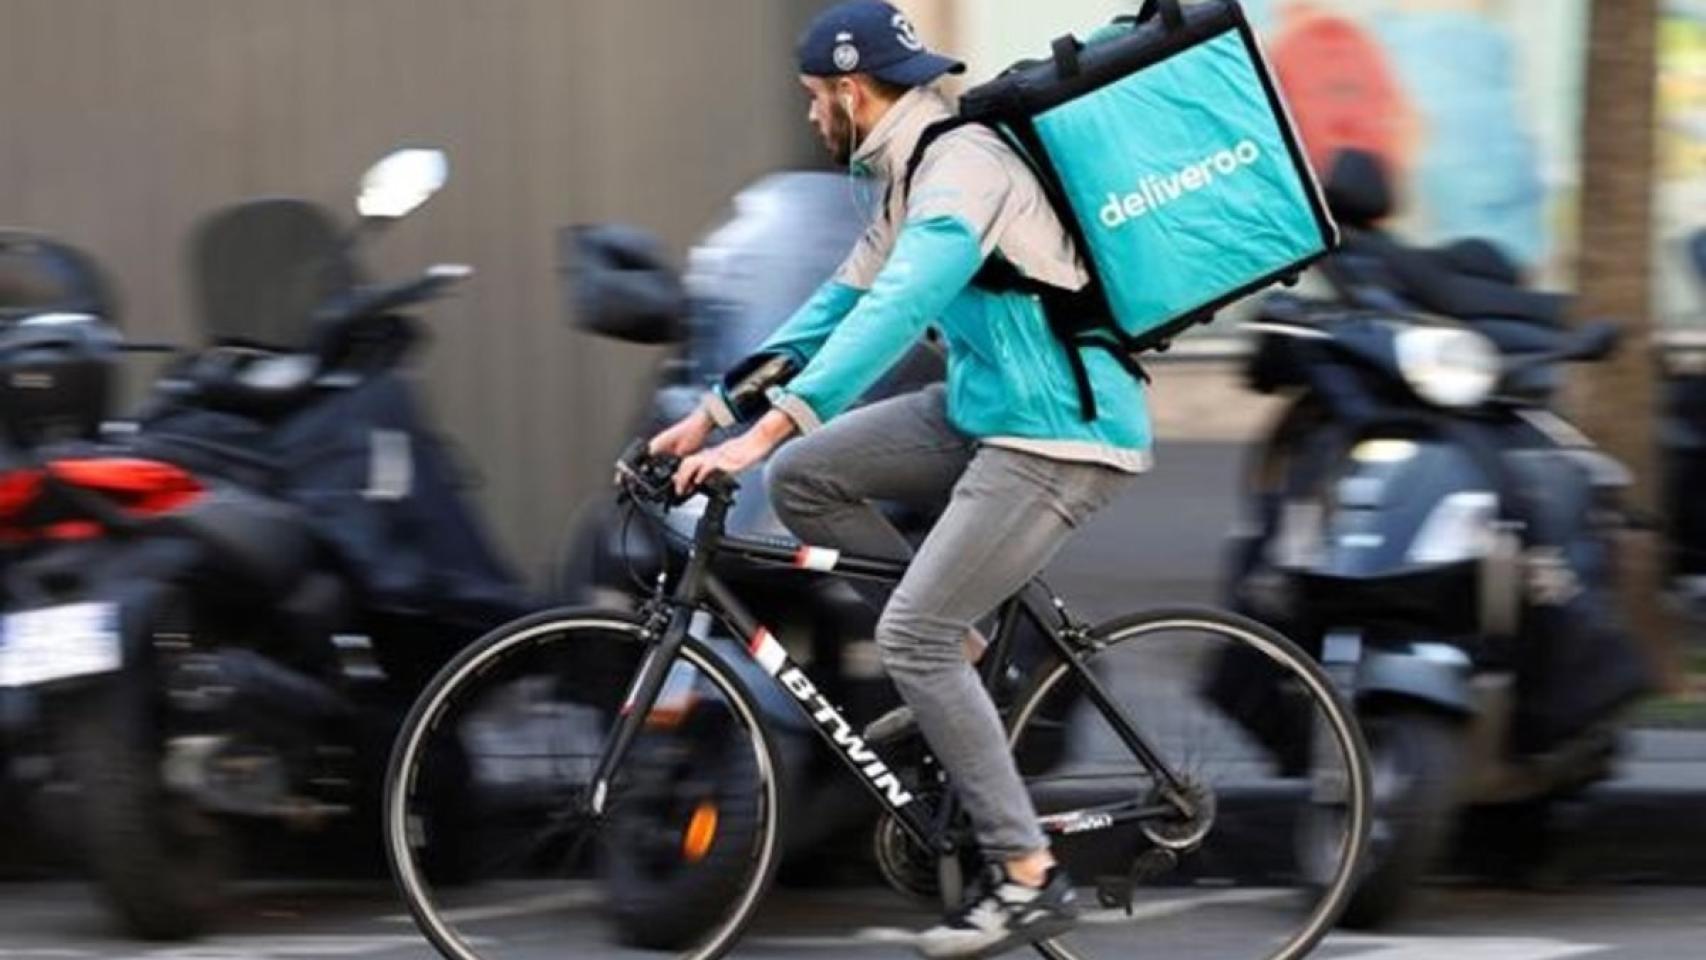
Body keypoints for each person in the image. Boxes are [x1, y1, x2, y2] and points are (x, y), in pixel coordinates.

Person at [650, 2, 1152, 955]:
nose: (810, 116)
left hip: (1059, 432)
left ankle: (1027, 874)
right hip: (983, 409)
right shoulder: (904, 170)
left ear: (851, 90)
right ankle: (957, 647)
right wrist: (711, 413)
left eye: (814, 98)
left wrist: (763, 434)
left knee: (906, 636)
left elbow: (893, 311)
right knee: (806, 480)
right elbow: (832, 308)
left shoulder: (962, 169)